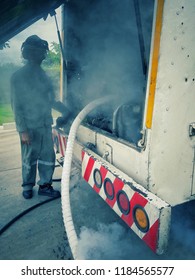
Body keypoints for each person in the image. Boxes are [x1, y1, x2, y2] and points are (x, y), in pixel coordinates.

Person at [11, 35, 70, 199]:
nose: (43, 56)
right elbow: (17, 106)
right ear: (29, 53)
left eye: (42, 52)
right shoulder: (18, 77)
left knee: (47, 157)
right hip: (28, 126)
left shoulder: (44, 76)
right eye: (39, 52)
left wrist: (67, 110)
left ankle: (45, 185)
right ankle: (27, 186)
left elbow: (51, 100)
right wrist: (22, 130)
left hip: (44, 125)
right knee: (29, 158)